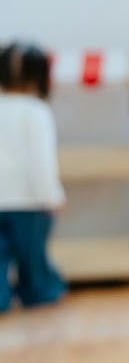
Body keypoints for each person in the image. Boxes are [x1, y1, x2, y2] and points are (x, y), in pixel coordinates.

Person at [0, 41, 66, 312]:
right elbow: (41, 162)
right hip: (28, 203)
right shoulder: (36, 112)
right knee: (33, 259)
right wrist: (52, 196)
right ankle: (39, 292)